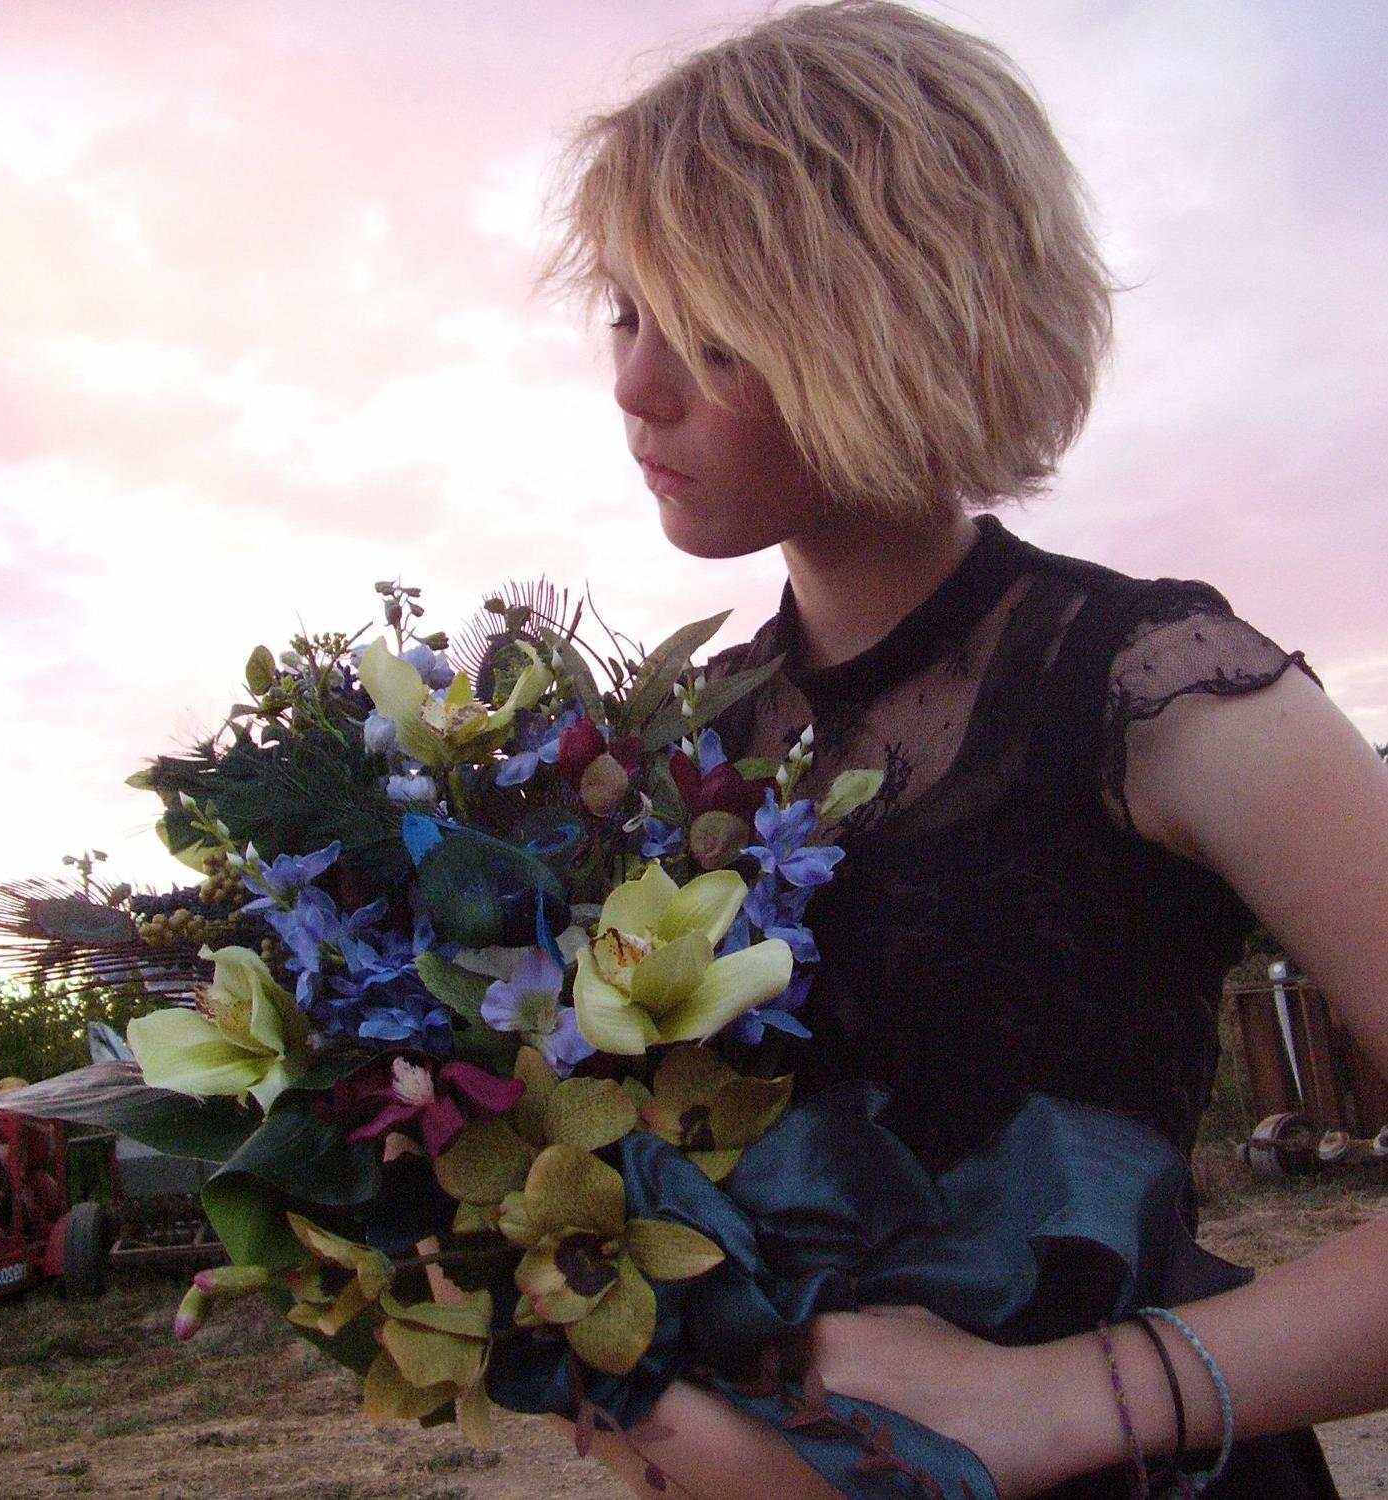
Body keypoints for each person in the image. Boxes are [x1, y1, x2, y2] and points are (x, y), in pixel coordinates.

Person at [541, 3, 1388, 1496]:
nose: (635, 385)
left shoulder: (1159, 690)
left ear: (888, 326)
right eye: (625, 308)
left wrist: (1072, 1396)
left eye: (714, 333)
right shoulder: (681, 749)